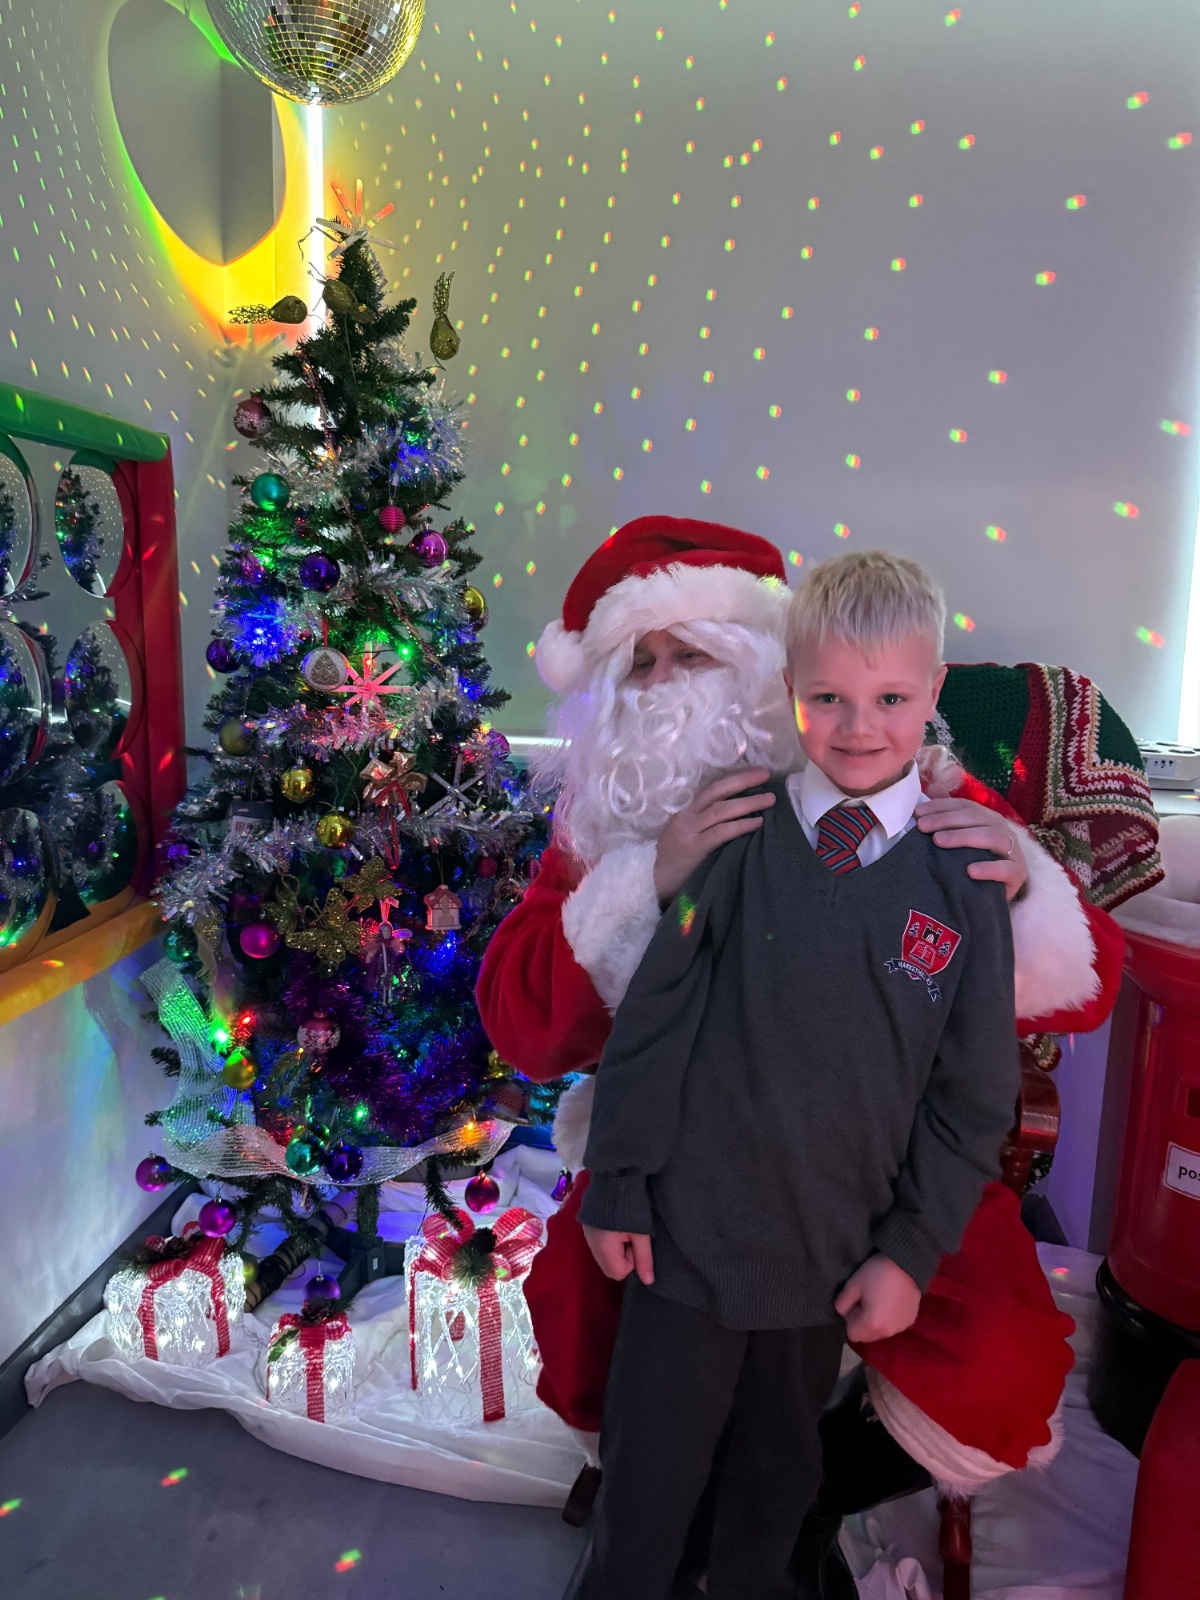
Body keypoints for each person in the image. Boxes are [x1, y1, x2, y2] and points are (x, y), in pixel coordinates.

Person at [475, 517, 1123, 1584]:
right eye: (641, 662)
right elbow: (523, 1024)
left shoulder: (914, 785)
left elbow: (1074, 995)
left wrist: (1020, 878)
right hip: (683, 1164)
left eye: (694, 653)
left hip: (881, 1164)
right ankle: (658, 1506)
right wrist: (649, 880)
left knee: (988, 1365)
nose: (666, 686)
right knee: (593, 1325)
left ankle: (801, 1502)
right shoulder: (603, 822)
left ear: (761, 664)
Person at [568, 547, 1026, 1599]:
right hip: (681, 1250)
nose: (859, 726)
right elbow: (657, 1016)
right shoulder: (736, 836)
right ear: (791, 692)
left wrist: (909, 1252)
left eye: (890, 698)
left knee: (770, 1509)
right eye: (829, 698)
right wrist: (618, 1181)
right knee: (643, 1505)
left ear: (933, 692)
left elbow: (971, 1100)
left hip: (826, 1265)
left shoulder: (965, 883)